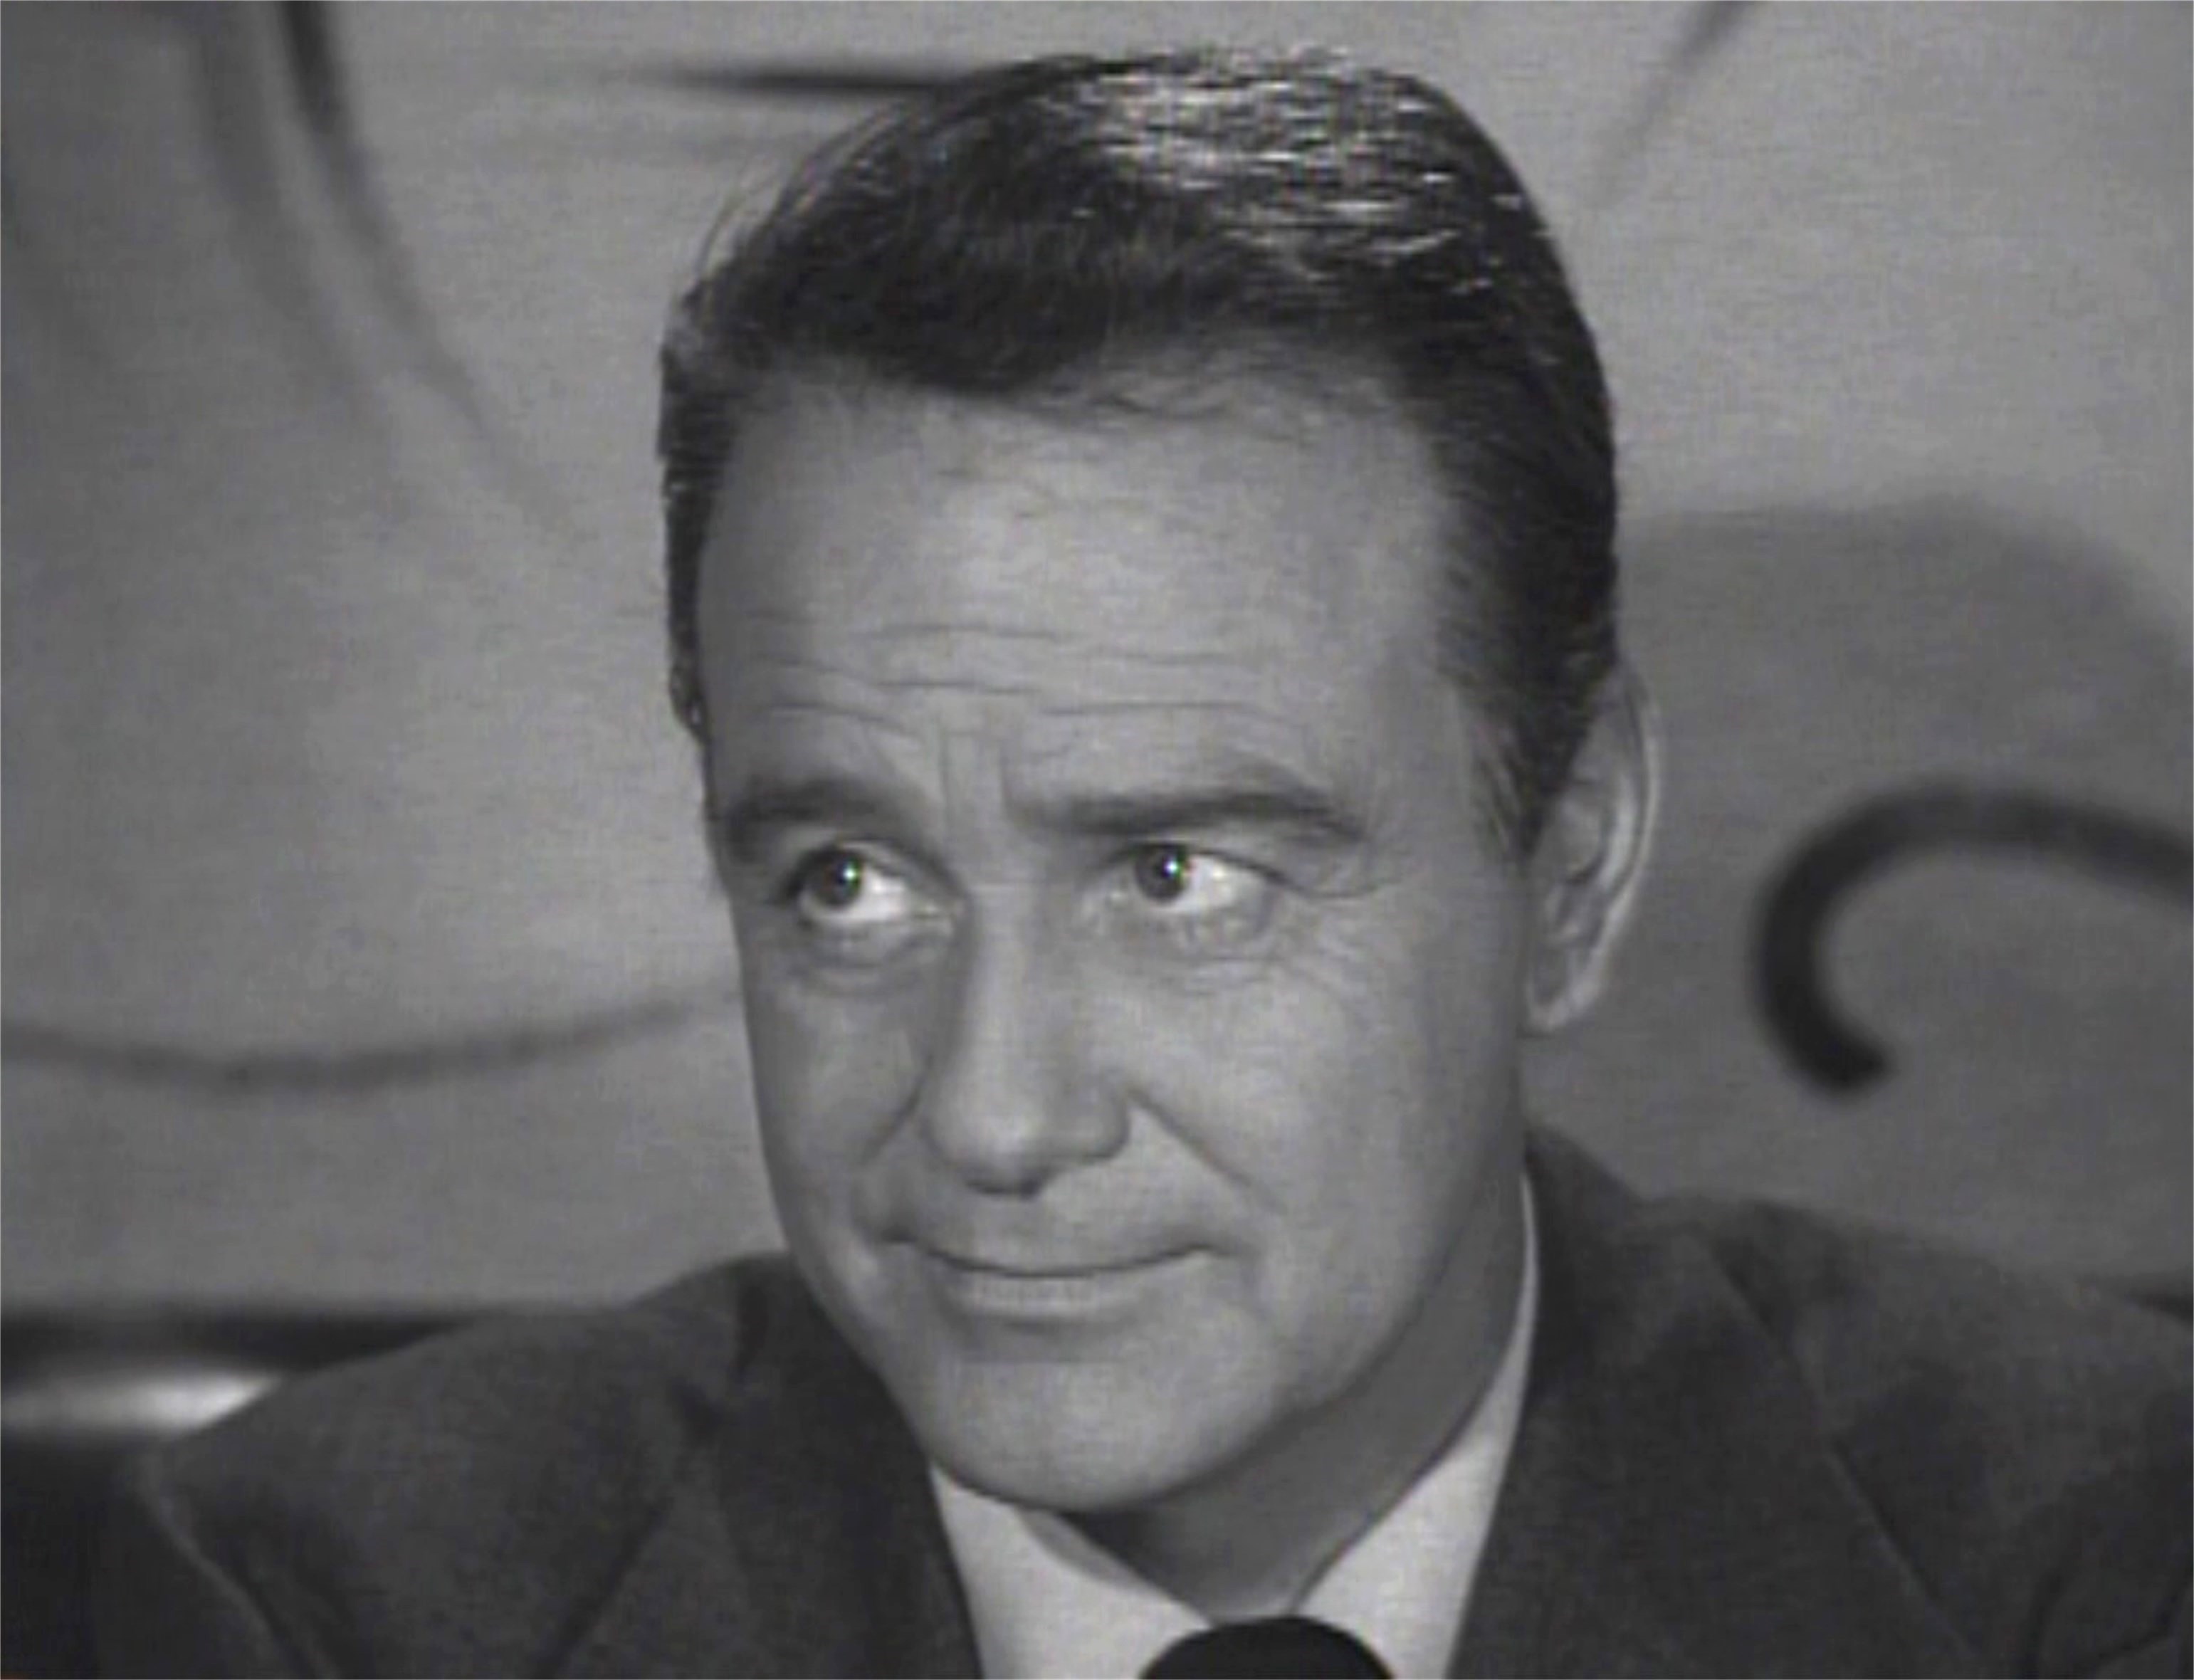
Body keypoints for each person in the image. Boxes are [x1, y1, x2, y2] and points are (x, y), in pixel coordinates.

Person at [96, 48, 2188, 1678]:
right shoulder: (334, 1612)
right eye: (850, 882)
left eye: (1178, 876)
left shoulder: (2096, 1565)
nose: (991, 1118)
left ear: (1571, 857)